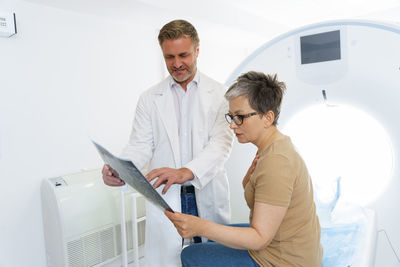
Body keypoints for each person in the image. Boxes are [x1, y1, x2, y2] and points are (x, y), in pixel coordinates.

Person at [101, 19, 234, 267]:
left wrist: (185, 172)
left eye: (183, 54)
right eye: (169, 57)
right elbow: (139, 145)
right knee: (170, 260)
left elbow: (221, 146)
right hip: (167, 197)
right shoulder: (150, 98)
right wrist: (120, 170)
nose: (177, 63)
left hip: (206, 193)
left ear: (197, 50)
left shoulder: (221, 95)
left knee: (213, 259)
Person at [165, 71, 323, 267]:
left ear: (268, 117)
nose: (232, 125)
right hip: (286, 245)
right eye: (231, 116)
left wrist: (200, 227)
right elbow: (254, 190)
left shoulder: (276, 161)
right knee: (215, 239)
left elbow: (259, 239)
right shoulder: (271, 147)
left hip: (284, 261)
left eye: (240, 117)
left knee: (190, 254)